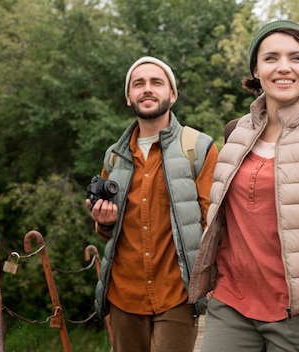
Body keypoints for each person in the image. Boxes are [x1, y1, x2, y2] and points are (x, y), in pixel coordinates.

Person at [188, 20, 299, 352]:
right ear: (256, 68)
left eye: (296, 58)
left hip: (298, 315)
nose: (284, 67)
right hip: (230, 306)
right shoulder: (233, 133)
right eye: (271, 58)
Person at [86, 56, 218, 352]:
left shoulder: (198, 147)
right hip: (124, 296)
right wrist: (104, 220)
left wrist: (213, 279)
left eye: (156, 82)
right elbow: (107, 230)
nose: (147, 89)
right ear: (128, 97)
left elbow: (215, 223)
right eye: (138, 84)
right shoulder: (114, 156)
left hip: (178, 295)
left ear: (172, 95)